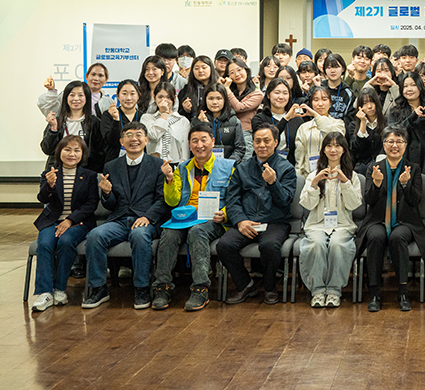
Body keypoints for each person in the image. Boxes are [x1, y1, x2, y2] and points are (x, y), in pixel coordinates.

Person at [82, 122, 168, 309]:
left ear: (146, 140)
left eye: (138, 135)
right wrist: (106, 193)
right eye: (129, 135)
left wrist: (148, 217)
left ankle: (141, 288)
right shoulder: (111, 166)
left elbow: (163, 199)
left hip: (146, 220)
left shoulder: (158, 165)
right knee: (95, 235)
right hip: (119, 220)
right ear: (122, 141)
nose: (134, 139)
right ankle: (98, 288)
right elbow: (110, 204)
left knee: (139, 235)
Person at [151, 123, 235, 311]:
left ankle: (200, 288)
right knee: (168, 233)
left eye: (203, 140)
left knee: (197, 232)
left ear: (212, 142)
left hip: (213, 219)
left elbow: (236, 198)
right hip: (185, 217)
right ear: (189, 145)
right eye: (194, 141)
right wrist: (170, 180)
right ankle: (162, 286)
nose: (199, 145)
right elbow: (173, 201)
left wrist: (226, 213)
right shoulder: (182, 168)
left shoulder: (228, 167)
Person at [218, 124, 297, 305]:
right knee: (224, 245)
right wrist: (240, 221)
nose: (262, 145)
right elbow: (232, 199)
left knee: (269, 245)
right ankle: (246, 284)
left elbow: (285, 201)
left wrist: (273, 183)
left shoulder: (286, 169)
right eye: (257, 141)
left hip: (275, 221)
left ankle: (269, 286)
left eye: (267, 141)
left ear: (276, 142)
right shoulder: (243, 168)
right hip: (247, 220)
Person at [357, 126, 425, 312]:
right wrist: (377, 184)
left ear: (405, 144)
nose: (394, 145)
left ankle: (403, 292)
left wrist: (405, 184)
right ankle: (375, 293)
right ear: (384, 144)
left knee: (398, 237)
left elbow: (415, 201)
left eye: (399, 141)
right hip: (377, 220)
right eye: (390, 141)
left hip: (406, 221)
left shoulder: (414, 168)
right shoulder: (374, 167)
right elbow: (369, 201)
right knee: (375, 237)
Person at [30, 136, 99, 312]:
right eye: (67, 149)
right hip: (53, 220)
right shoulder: (50, 174)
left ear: (82, 154)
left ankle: (60, 289)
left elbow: (91, 204)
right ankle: (45, 292)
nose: (71, 154)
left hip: (79, 222)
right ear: (59, 152)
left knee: (66, 241)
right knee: (44, 244)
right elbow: (42, 198)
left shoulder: (89, 176)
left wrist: (70, 220)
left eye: (77, 150)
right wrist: (50, 186)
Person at [298, 132, 363, 308]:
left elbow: (354, 205)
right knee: (316, 245)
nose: (333, 149)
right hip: (317, 225)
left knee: (338, 244)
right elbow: (307, 204)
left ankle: (334, 290)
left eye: (337, 145)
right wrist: (314, 183)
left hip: (342, 225)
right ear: (324, 149)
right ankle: (318, 290)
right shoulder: (313, 175)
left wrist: (345, 182)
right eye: (329, 146)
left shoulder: (352, 175)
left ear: (344, 149)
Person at [386, 71, 425, 179]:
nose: (409, 89)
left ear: (420, 87)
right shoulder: (395, 111)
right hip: (403, 159)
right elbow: (394, 134)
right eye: (405, 86)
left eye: (413, 85)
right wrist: (413, 117)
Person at [41, 80, 104, 173]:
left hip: (85, 173)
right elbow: (47, 150)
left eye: (80, 95)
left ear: (87, 98)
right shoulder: (57, 121)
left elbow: (99, 152)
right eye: (72, 95)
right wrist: (53, 129)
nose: (76, 99)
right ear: (66, 97)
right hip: (57, 172)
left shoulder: (94, 122)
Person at [250, 77, 309, 165]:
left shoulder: (297, 119)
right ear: (268, 95)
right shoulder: (259, 118)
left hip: (290, 166)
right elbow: (269, 137)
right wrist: (286, 119)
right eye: (277, 93)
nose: (281, 97)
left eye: (285, 93)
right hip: (264, 165)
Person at [294, 86, 346, 182]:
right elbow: (299, 158)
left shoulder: (338, 124)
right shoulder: (303, 128)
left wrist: (315, 115)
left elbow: (333, 136)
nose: (320, 104)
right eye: (316, 100)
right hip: (309, 177)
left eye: (324, 99)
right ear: (311, 103)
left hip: (334, 177)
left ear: (330, 103)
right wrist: (299, 178)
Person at [38, 63, 113, 120]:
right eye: (93, 74)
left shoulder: (108, 102)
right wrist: (51, 91)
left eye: (100, 75)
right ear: (87, 76)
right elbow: (51, 111)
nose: (96, 78)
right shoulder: (70, 94)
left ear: (106, 79)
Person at [221, 58, 262, 160]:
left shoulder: (257, 94)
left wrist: (226, 89)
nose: (237, 74)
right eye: (232, 72)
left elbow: (239, 107)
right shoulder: (229, 92)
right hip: (228, 133)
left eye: (239, 70)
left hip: (246, 133)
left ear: (246, 70)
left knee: (244, 166)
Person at [141, 83, 191, 165]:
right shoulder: (147, 118)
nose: (164, 100)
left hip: (175, 165)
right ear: (154, 98)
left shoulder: (183, 121)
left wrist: (182, 169)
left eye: (168, 97)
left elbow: (184, 150)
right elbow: (154, 135)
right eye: (160, 97)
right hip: (153, 164)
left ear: (174, 98)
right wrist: (164, 113)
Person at [196, 83, 246, 161]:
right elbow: (194, 147)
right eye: (211, 98)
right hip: (203, 165)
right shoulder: (197, 121)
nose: (215, 102)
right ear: (205, 100)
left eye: (219, 98)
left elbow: (240, 149)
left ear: (225, 100)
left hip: (228, 166)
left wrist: (227, 164)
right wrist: (204, 124)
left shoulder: (234, 121)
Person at [99, 79, 143, 163]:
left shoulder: (143, 116)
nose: (128, 98)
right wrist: (116, 120)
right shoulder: (108, 115)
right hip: (114, 163)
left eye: (132, 94)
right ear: (118, 96)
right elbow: (111, 142)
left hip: (139, 162)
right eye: (124, 94)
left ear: (138, 96)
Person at [348, 87, 386, 175]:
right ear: (360, 107)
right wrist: (363, 123)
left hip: (383, 168)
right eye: (365, 103)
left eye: (372, 101)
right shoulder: (353, 125)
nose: (369, 106)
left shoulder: (386, 122)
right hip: (361, 170)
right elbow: (356, 151)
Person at [178, 55, 218, 121]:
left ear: (211, 68)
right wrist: (185, 110)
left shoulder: (218, 88)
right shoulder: (186, 90)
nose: (200, 71)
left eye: (204, 67)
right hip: (193, 127)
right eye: (196, 68)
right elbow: (179, 115)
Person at [322, 53, 354, 120]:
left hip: (341, 128)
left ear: (343, 69)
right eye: (329, 67)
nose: (332, 71)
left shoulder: (348, 93)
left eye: (336, 67)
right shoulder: (319, 88)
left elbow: (350, 118)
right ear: (324, 70)